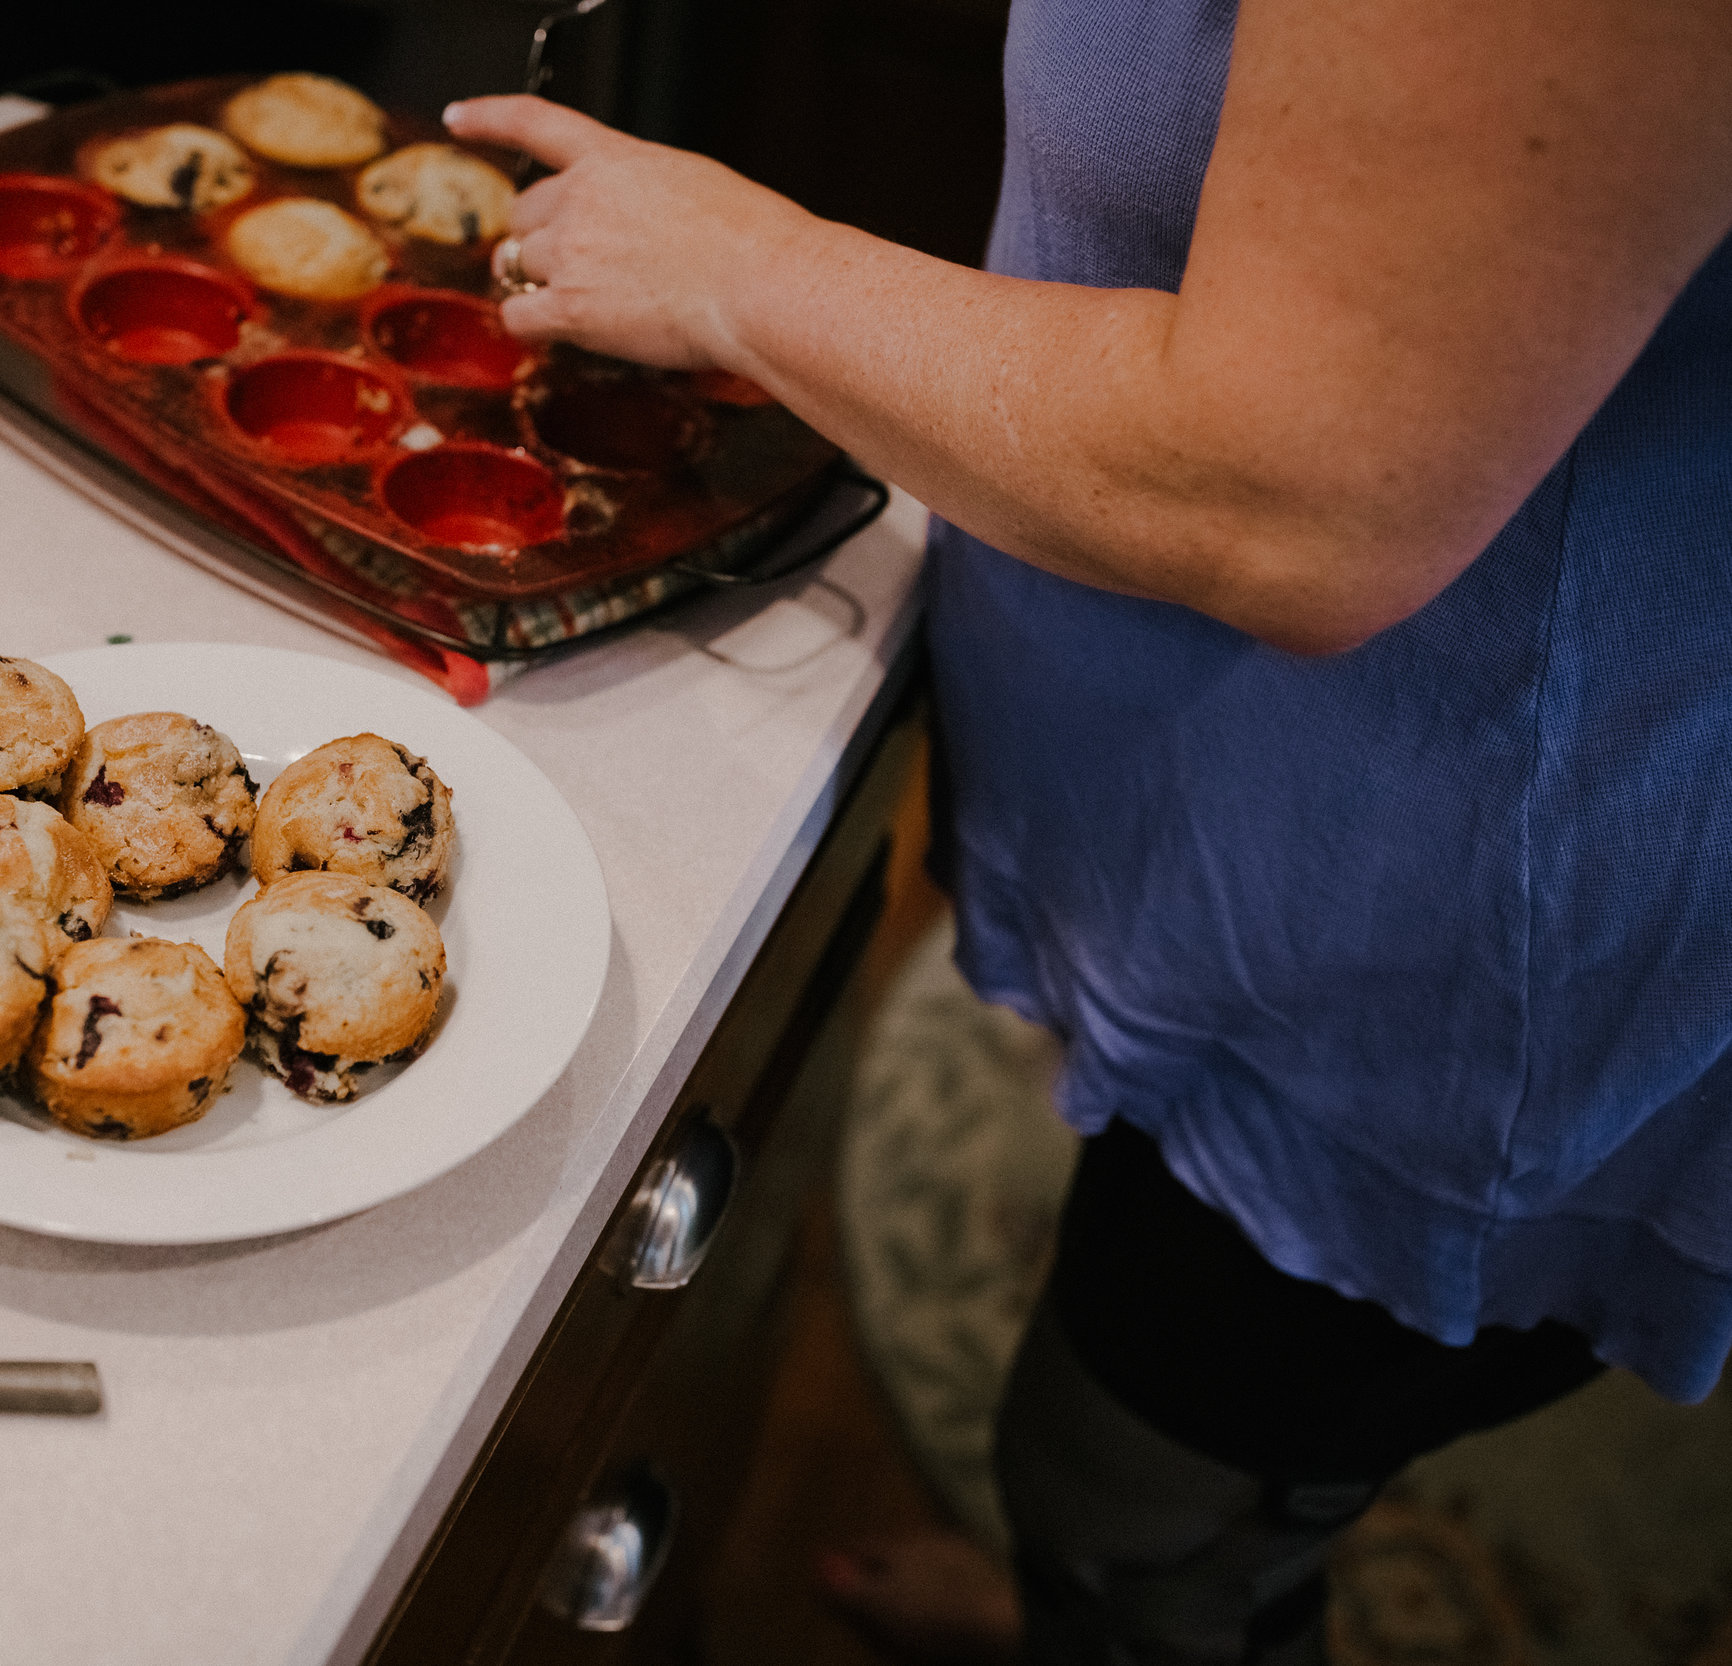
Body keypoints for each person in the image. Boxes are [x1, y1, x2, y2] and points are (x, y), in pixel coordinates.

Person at [445, 0, 1732, 1659]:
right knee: (1141, 1299)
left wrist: (747, 272)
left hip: (1465, 938)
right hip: (1267, 817)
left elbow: (1295, 497)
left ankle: (1140, 1583)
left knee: (1140, 1476)